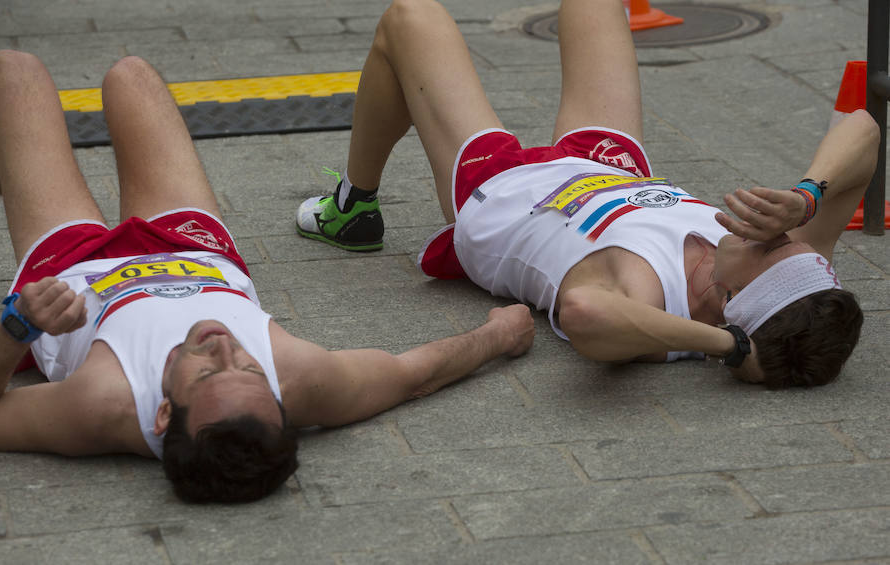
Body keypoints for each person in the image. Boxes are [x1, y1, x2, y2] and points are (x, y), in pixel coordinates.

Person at [0, 50, 535, 504]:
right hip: (193, 256)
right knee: (131, 76)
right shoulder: (301, 381)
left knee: (13, 74)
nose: (224, 346)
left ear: (161, 414)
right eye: (250, 371)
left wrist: (15, 329)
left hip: (72, 273)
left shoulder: (102, 408)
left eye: (205, 374)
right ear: (277, 401)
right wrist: (502, 335)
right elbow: (416, 373)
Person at [296, 0, 879, 387]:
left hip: (502, 191)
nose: (776, 233)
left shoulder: (648, 305)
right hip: (613, 171)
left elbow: (583, 315)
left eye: (772, 247)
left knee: (410, 17)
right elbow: (866, 129)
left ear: (731, 300)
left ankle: (353, 206)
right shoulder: (793, 274)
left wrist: (723, 345)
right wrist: (807, 195)